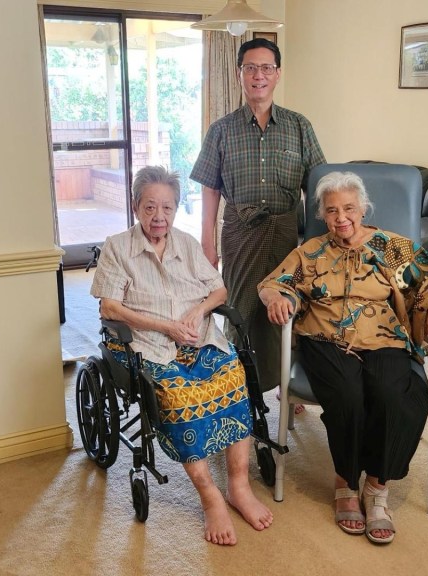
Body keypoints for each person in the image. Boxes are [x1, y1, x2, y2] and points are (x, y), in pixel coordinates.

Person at [256, 171, 428, 545]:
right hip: (325, 339)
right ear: (322, 214)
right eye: (332, 210)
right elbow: (274, 283)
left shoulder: (388, 248)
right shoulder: (312, 252)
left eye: (349, 208)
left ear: (363, 208)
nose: (341, 218)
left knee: (397, 395)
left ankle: (377, 486)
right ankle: (346, 482)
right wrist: (277, 299)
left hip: (383, 338)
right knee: (347, 395)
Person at [90, 166, 273, 546]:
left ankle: (238, 486)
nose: (159, 216)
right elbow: (110, 307)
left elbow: (219, 291)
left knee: (233, 376)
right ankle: (210, 497)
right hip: (146, 344)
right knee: (181, 396)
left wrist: (199, 310)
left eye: (167, 208)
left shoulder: (187, 244)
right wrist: (166, 326)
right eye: (150, 207)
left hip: (197, 338)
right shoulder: (117, 247)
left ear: (175, 209)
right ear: (135, 207)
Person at [190, 37, 326, 405]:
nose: (258, 75)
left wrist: (319, 246)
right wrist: (207, 243)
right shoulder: (221, 129)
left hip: (285, 233)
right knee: (242, 309)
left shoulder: (299, 126)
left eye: (266, 68)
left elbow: (317, 187)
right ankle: (241, 388)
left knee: (286, 307)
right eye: (250, 68)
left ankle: (286, 383)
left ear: (277, 74)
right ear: (239, 74)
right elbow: (210, 189)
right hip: (239, 232)